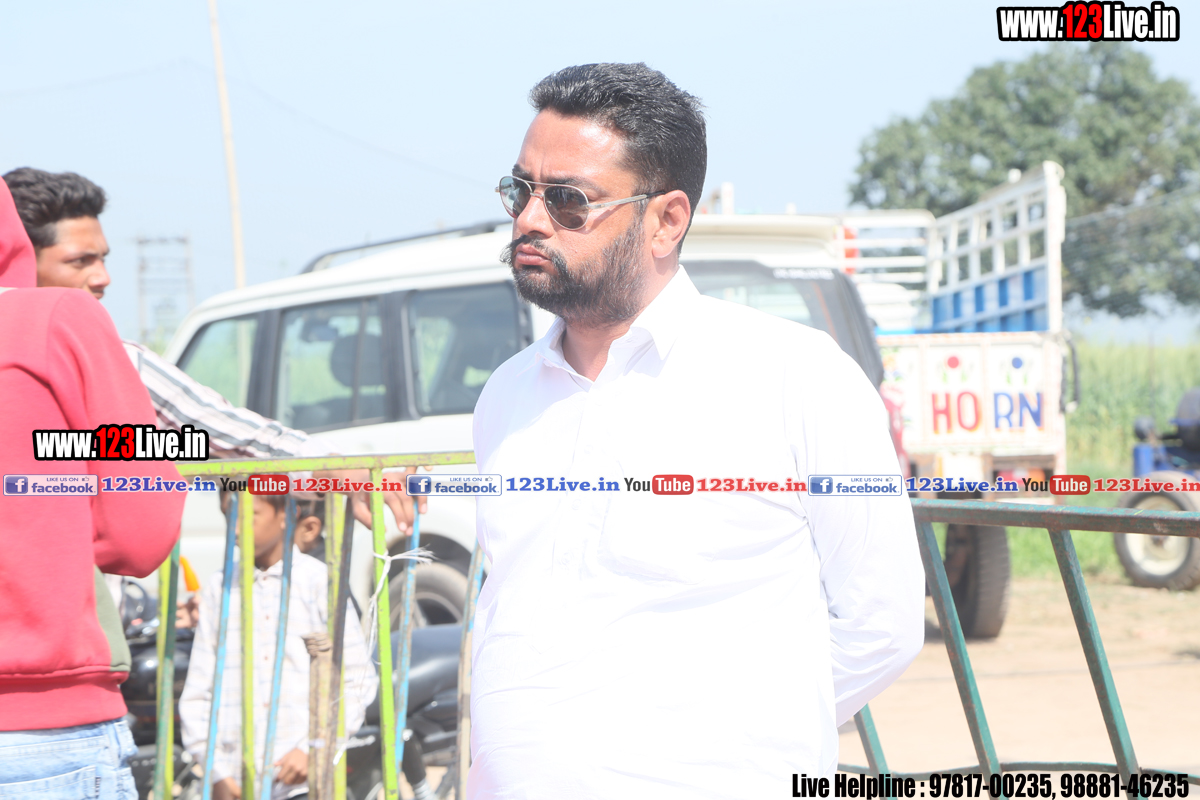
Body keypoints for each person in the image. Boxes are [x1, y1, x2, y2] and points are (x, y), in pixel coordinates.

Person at [469, 63, 925, 797]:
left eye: (569, 201)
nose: (529, 219)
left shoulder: (796, 377)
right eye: (520, 190)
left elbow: (883, 625)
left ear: (667, 221)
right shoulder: (507, 395)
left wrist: (731, 746)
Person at [2, 167, 424, 611]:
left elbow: (207, 434)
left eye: (103, 259)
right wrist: (340, 469)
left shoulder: (93, 356)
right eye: (80, 261)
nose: (102, 277)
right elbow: (213, 436)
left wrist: (337, 468)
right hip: (60, 621)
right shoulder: (105, 358)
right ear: (21, 259)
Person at [0, 182, 185, 796]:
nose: (101, 277)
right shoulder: (56, 320)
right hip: (40, 726)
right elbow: (141, 527)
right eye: (83, 260)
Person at [180, 491, 378, 800]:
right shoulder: (220, 588)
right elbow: (198, 693)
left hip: (303, 784)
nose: (235, 527)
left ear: (286, 514)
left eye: (249, 515)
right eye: (229, 516)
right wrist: (215, 771)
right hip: (236, 782)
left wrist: (314, 746)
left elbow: (357, 679)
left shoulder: (318, 581)